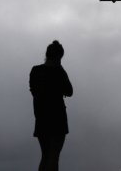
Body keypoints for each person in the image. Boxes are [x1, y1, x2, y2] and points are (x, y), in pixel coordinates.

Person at [29, 40, 73, 171]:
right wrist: (60, 68)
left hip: (41, 118)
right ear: (59, 57)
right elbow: (70, 91)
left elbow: (34, 91)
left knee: (45, 155)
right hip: (58, 118)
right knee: (54, 157)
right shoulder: (59, 72)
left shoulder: (35, 71)